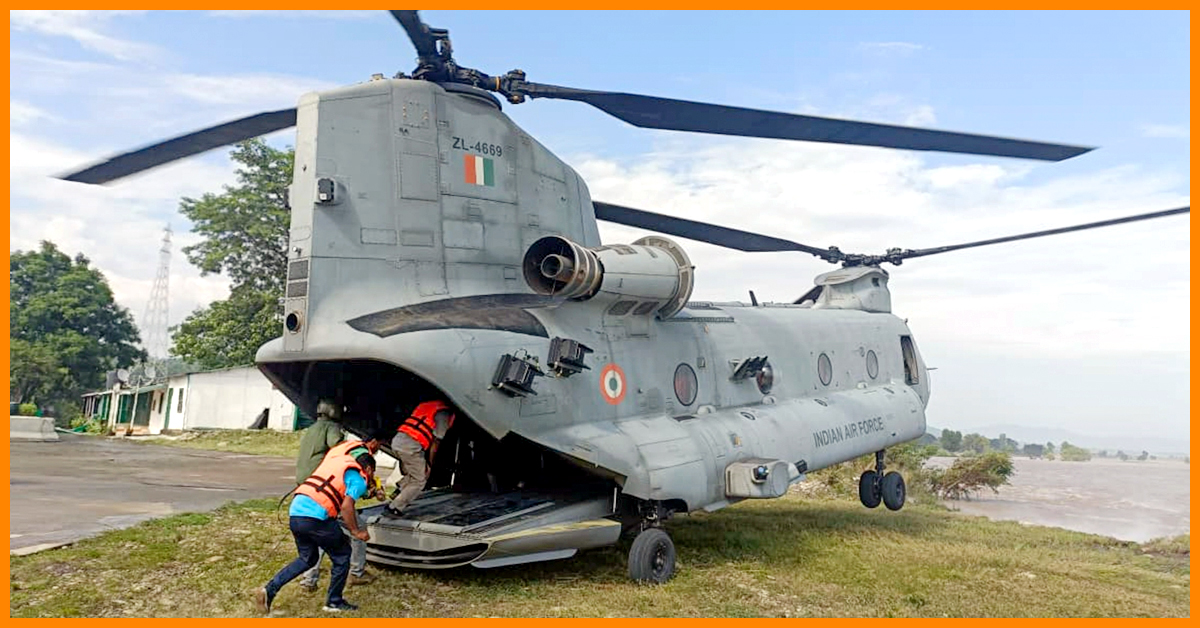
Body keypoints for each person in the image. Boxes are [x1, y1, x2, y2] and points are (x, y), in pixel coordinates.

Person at [257, 448, 377, 614]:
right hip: (317, 518)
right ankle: (334, 602)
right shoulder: (358, 479)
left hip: (296, 513)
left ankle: (269, 590)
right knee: (342, 555)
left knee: (307, 558)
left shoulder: (338, 466)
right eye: (372, 473)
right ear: (368, 469)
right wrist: (356, 531)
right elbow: (346, 507)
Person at [298, 434, 386, 591]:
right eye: (380, 444)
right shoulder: (361, 455)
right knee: (359, 531)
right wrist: (371, 493)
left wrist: (369, 490)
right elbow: (351, 487)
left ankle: (309, 579)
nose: (379, 449)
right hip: (335, 500)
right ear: (373, 441)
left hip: (318, 495)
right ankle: (357, 573)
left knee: (322, 537)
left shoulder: (348, 447)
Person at [383, 400, 455, 517]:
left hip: (397, 441)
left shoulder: (427, 405)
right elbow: (436, 443)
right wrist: (429, 465)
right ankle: (394, 508)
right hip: (411, 447)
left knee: (414, 472)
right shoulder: (445, 414)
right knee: (420, 480)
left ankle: (400, 489)